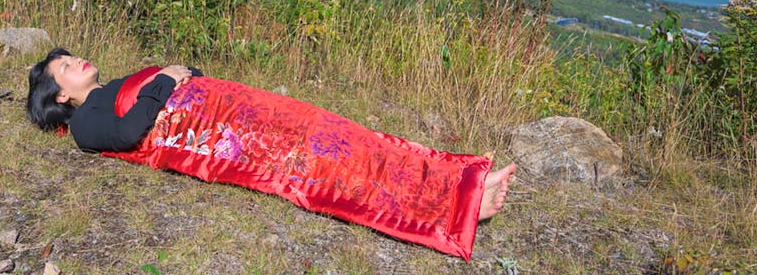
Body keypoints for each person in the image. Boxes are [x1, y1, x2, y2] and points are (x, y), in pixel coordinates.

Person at [27, 47, 515, 261]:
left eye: (71, 58)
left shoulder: (111, 85)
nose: (77, 62)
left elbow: (179, 77)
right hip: (225, 135)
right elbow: (134, 131)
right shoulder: (86, 122)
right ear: (62, 97)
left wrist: (175, 72)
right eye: (66, 68)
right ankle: (457, 209)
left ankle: (457, 177)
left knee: (342, 134)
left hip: (235, 104)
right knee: (330, 164)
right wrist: (163, 79)